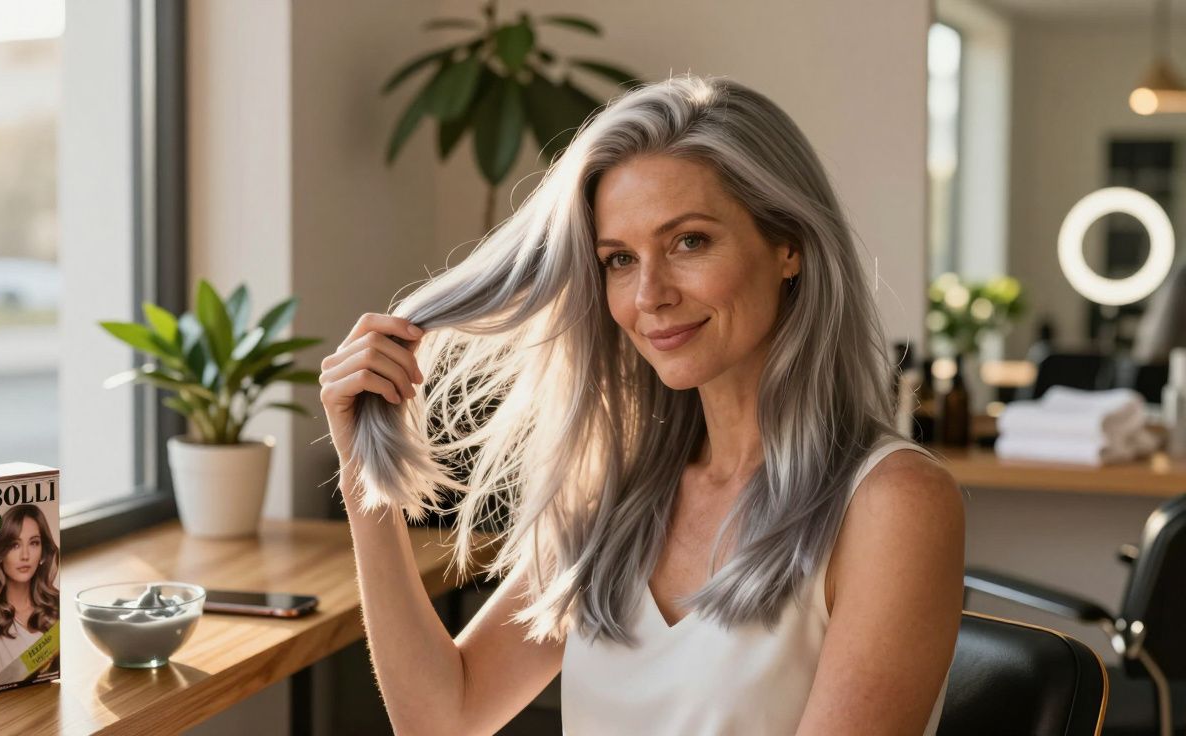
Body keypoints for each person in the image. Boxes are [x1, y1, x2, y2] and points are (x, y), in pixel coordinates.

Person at [317, 73, 965, 735]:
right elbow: (441, 721)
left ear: (787, 246)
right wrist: (365, 482)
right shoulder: (618, 488)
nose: (649, 294)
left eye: (689, 242)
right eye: (619, 258)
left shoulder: (891, 504)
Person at [0, 503, 60, 686]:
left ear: (42, 552)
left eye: (34, 543)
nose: (25, 555)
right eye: (14, 545)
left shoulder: (55, 607)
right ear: (1, 551)